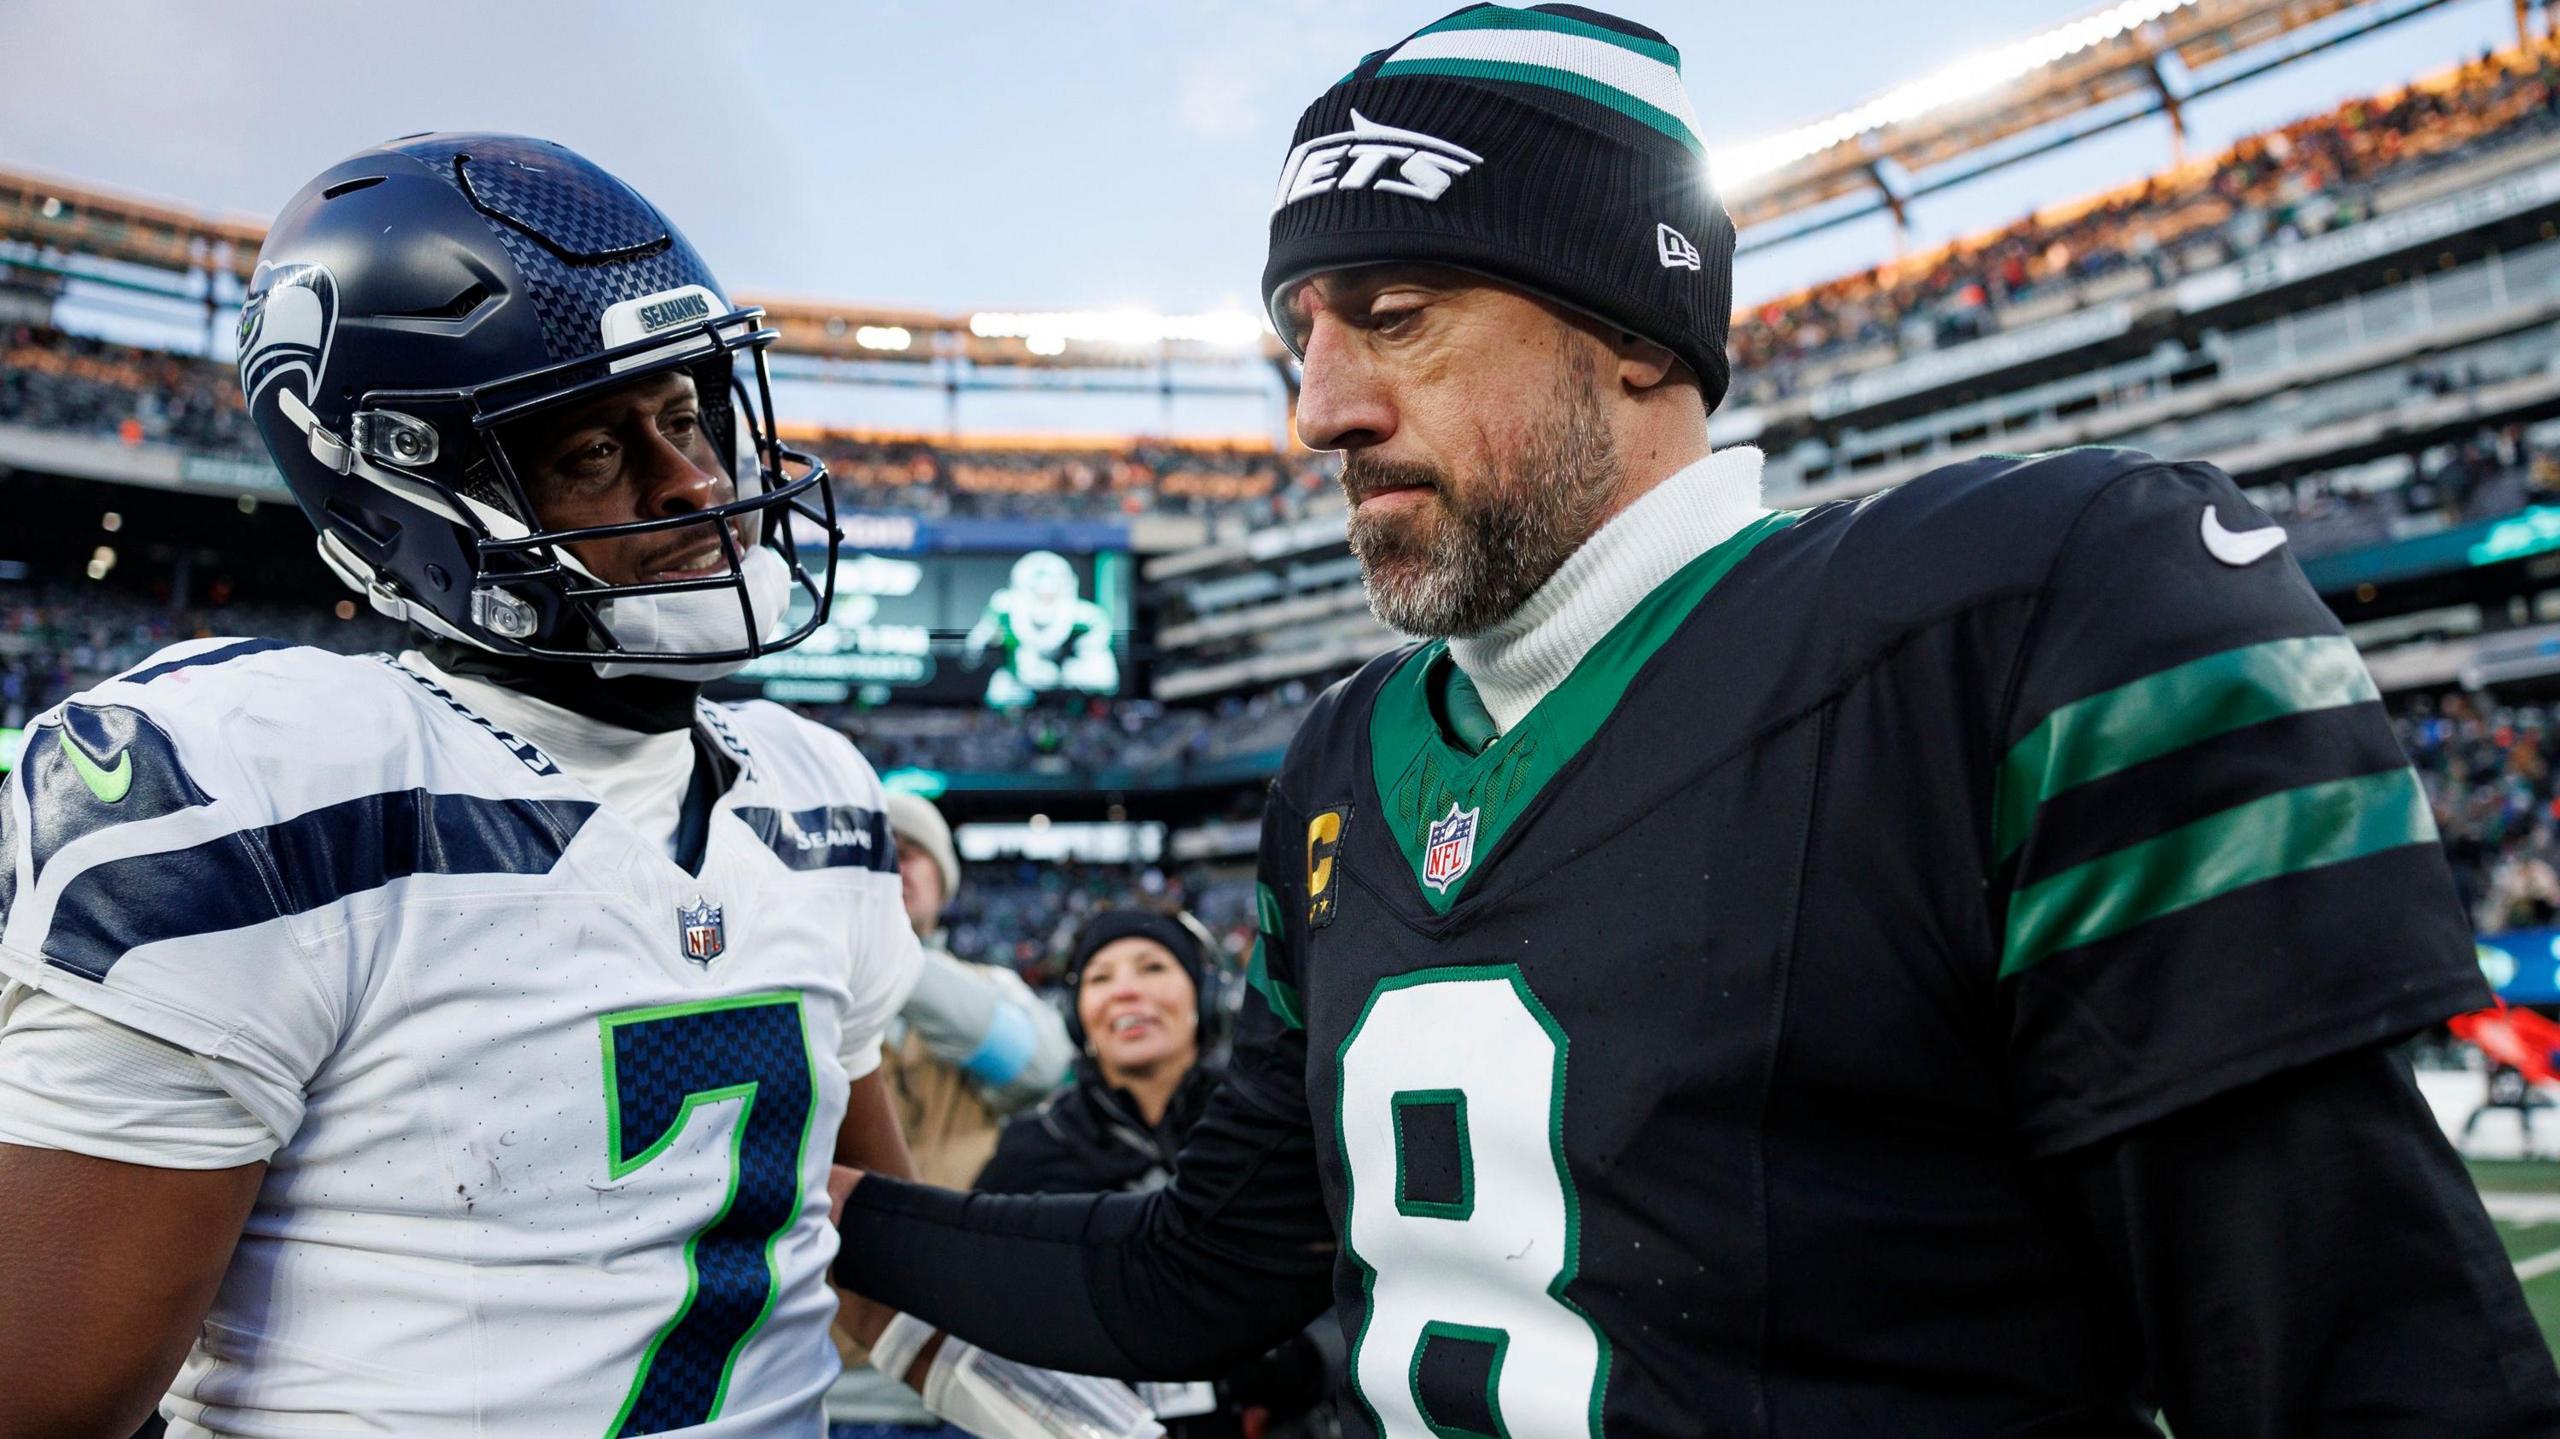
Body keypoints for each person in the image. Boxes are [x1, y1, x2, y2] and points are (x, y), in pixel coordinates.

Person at [830, 8, 2560, 1435]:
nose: (1319, 410)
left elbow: (2364, 1368)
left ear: (1639, 336)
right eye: (1302, 334)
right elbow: (1205, 1268)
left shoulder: (2026, 615)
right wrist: (843, 1216)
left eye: (1395, 319)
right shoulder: (1342, 761)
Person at [0, 134, 1137, 1439]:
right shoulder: (264, 781)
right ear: (399, 495)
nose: (699, 483)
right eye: (596, 452)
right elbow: (46, 1400)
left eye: (688, 415)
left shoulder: (814, 787)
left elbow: (850, 1240)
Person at [974, 910, 1332, 1439]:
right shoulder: (1031, 1150)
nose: (1125, 992)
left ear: (1204, 997)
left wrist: (1305, 1362)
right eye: (1100, 978)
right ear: (1077, 1017)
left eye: (1152, 968)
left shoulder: (1284, 1126)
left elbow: (1364, 1276)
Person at [829, 790, 1074, 1438]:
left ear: (944, 879)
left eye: (908, 853)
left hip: (959, 1370)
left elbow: (1036, 1066)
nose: (891, 866)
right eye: (873, 854)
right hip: (821, 1370)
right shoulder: (798, 988)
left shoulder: (989, 986)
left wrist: (874, 942)